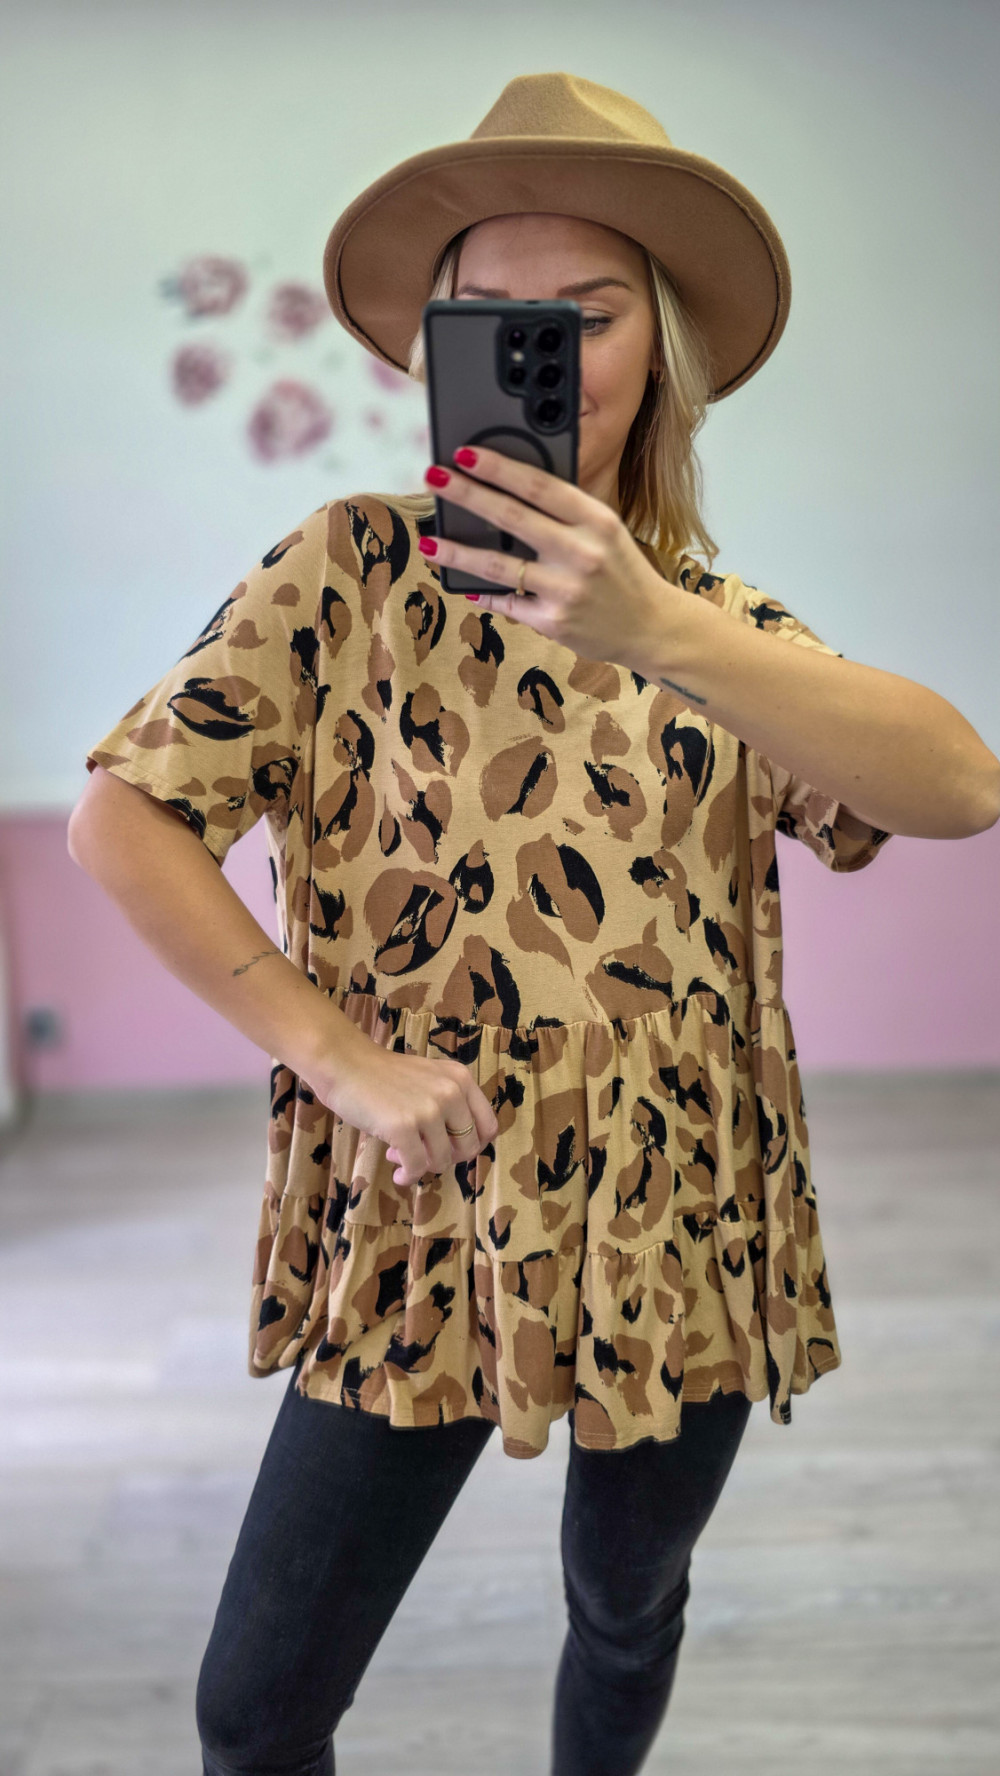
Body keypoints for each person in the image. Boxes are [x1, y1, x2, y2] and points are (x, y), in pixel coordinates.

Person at [67, 71, 998, 1776]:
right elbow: (123, 817)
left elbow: (958, 784)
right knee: (257, 1708)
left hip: (677, 1212)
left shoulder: (716, 624)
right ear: (441, 349)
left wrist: (661, 626)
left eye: (590, 313)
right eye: (499, 318)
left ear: (663, 353)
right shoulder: (345, 570)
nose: (547, 351)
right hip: (417, 1204)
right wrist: (335, 1055)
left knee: (626, 1609)